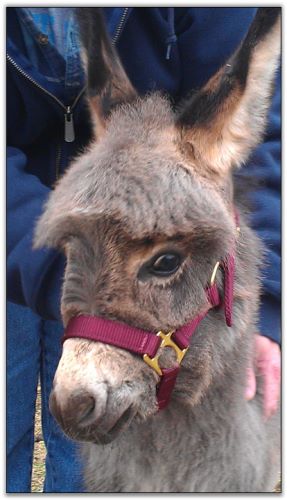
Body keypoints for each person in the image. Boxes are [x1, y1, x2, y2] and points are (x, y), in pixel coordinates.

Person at [7, 7, 281, 493]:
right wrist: (67, 269)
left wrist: (266, 303)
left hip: (158, 242)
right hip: (39, 238)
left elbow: (257, 146)